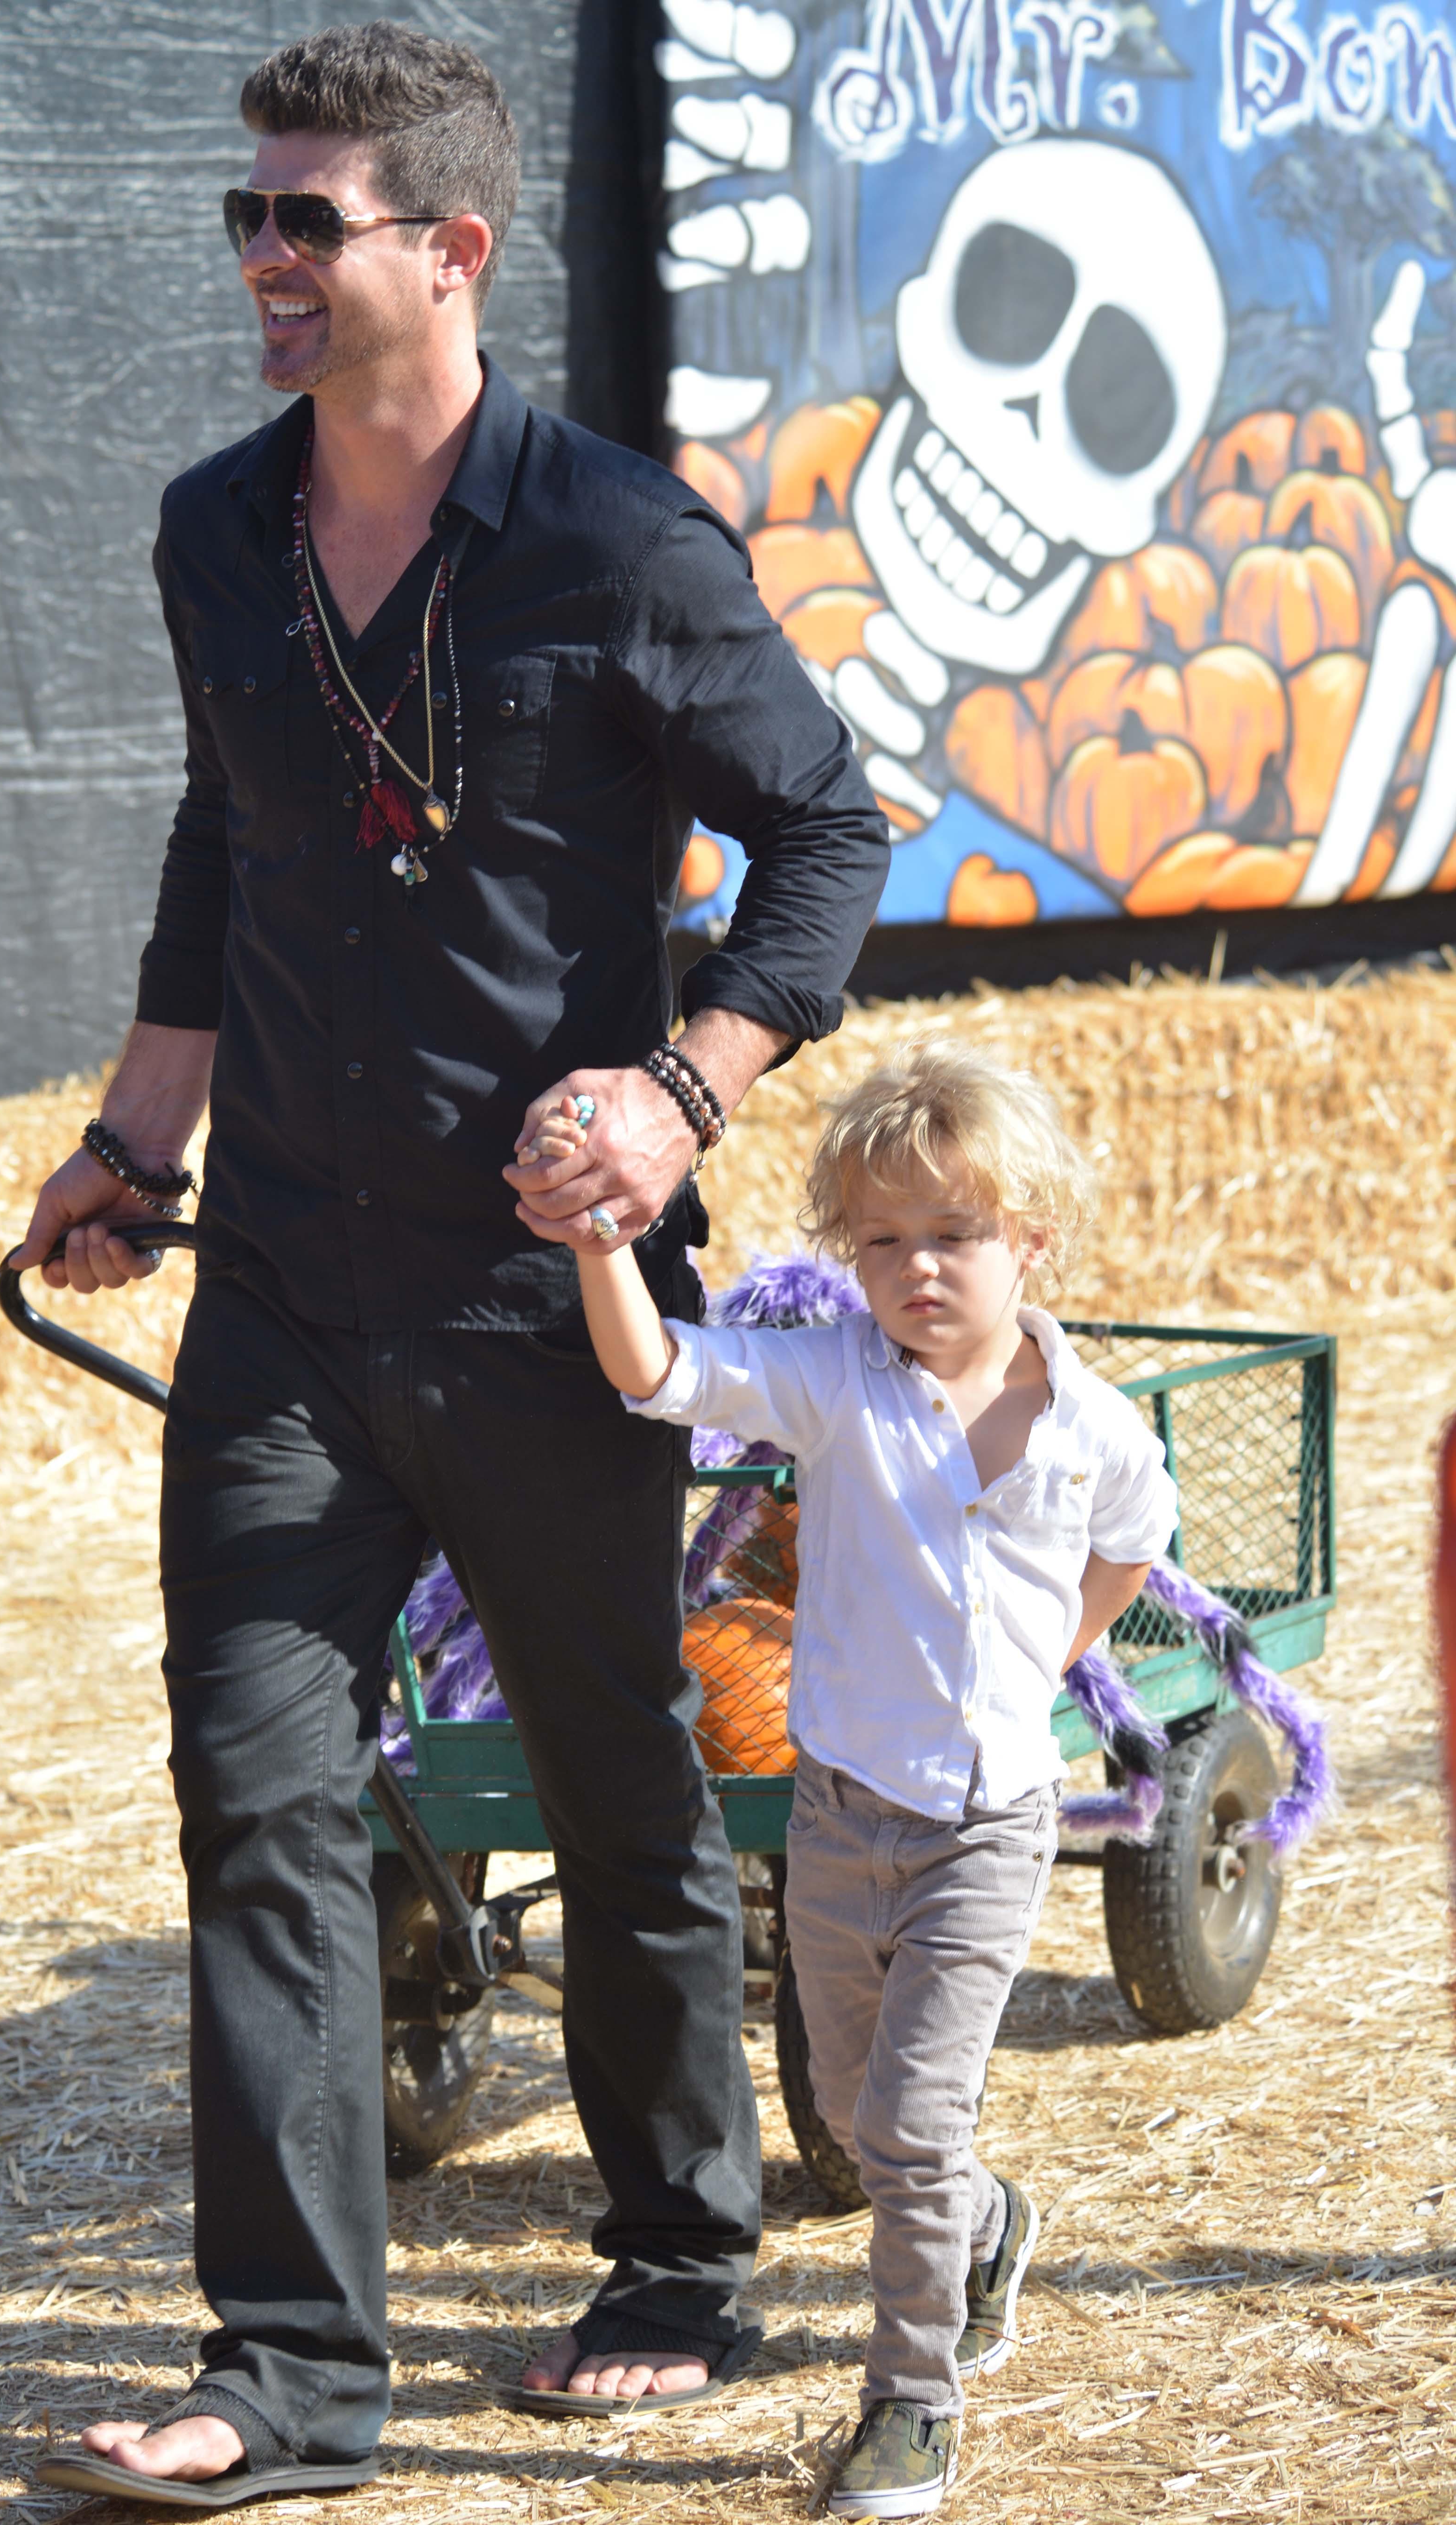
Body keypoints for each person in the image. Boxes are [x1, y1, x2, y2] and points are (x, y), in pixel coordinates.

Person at [13, 21, 889, 2505]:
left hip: (548, 1300)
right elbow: (231, 840)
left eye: (309, 219)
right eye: (246, 217)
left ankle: (675, 2250)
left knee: (620, 1786)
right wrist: (127, 1137)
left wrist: (676, 1088)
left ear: (448, 247)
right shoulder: (215, 530)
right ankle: (287, 2380)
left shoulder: (615, 543)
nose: (263, 262)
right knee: (259, 1800)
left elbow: (825, 843)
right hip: (281, 1286)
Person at [522, 1035, 1177, 2518]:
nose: (916, 1268)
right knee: (851, 2107)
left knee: (906, 2126)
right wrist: (603, 1239)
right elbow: (657, 1371)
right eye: (881, 1239)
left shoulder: (1090, 1425)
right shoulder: (831, 1382)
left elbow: (1135, 1536)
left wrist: (1046, 1661)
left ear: (1031, 1241)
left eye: (952, 1234)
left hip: (988, 1826)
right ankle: (987, 2222)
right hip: (837, 1817)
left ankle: (909, 2403)